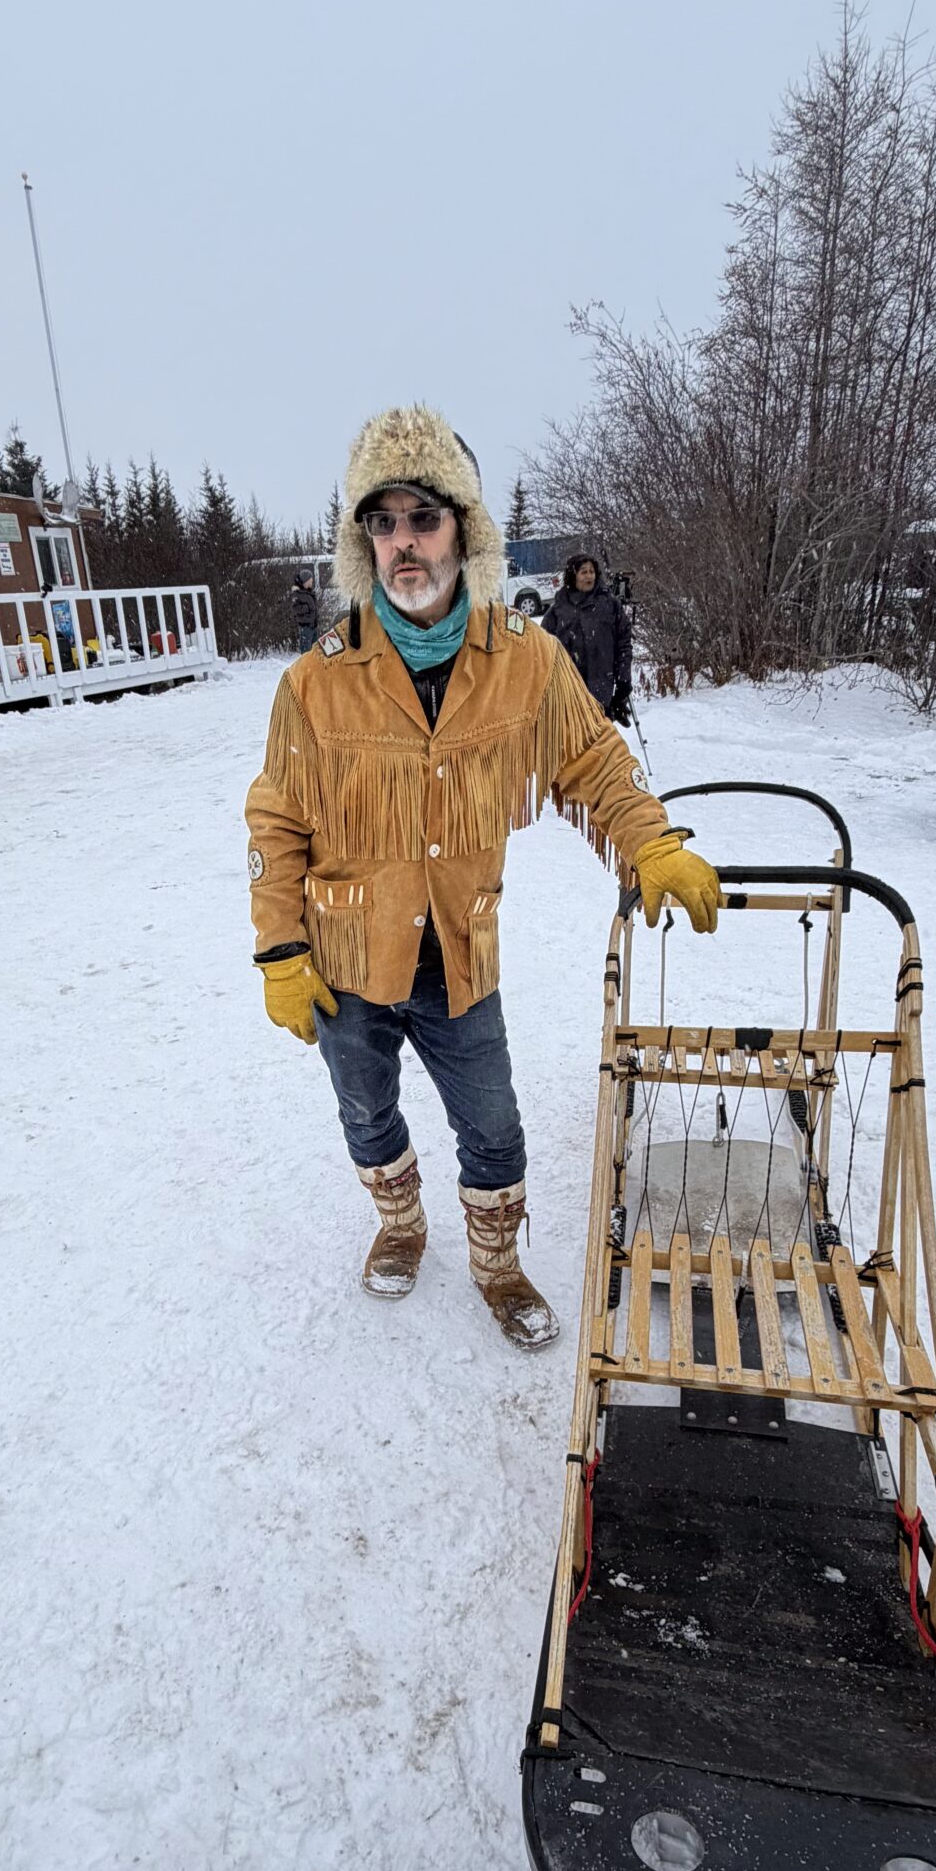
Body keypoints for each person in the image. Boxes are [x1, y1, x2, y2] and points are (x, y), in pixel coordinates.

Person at [245, 404, 722, 1348]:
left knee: (494, 1126)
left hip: (459, 951)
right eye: (382, 523)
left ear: (464, 529)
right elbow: (278, 817)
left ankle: (498, 1268)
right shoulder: (317, 681)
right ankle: (400, 1225)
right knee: (365, 1111)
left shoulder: (525, 660)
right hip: (347, 956)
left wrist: (653, 843)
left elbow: (594, 761)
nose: (403, 542)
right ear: (364, 543)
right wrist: (279, 950)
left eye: (423, 518)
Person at [542, 553, 633, 723]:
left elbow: (623, 642)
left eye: (592, 572)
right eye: (583, 572)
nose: (589, 576)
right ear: (573, 575)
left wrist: (623, 681)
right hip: (570, 689)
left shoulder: (609, 604)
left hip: (601, 688)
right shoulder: (560, 608)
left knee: (601, 735)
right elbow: (543, 647)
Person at [289, 568, 319, 656]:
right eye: (310, 581)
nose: (311, 582)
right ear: (305, 581)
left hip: (313, 626)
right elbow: (294, 608)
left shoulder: (309, 592)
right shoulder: (297, 593)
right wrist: (306, 609)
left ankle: (313, 665)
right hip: (305, 627)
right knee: (306, 653)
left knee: (315, 651)